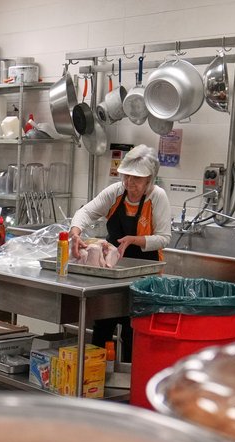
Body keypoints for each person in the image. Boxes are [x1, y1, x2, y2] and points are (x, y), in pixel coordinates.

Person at [68, 145, 172, 363]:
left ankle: (129, 381)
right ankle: (93, 378)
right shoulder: (116, 192)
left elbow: (164, 238)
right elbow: (86, 211)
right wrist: (76, 232)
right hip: (112, 269)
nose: (129, 184)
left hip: (145, 274)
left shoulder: (157, 197)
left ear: (149, 180)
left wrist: (134, 240)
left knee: (132, 329)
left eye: (136, 179)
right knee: (103, 323)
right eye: (126, 177)